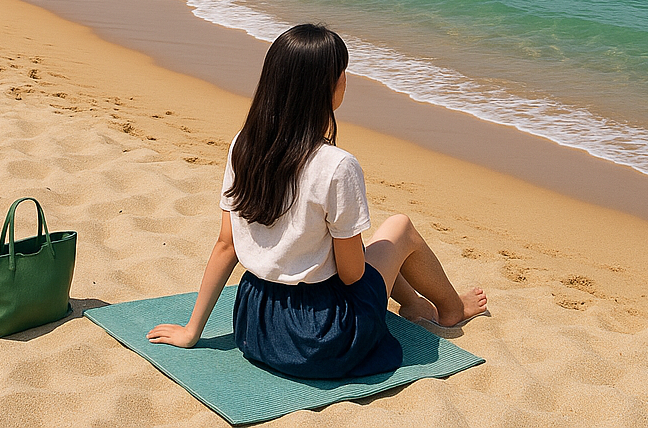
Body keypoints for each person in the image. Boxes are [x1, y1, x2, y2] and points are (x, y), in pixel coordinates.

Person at [147, 24, 487, 378]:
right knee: (398, 229)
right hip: (323, 336)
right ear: (328, 86)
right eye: (342, 73)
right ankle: (451, 309)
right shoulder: (337, 165)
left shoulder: (243, 144)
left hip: (257, 325)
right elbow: (353, 273)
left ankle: (415, 304)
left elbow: (225, 245)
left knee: (375, 250)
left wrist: (192, 331)